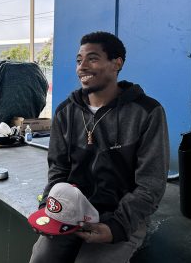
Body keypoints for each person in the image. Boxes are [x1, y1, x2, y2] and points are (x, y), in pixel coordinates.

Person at [29, 31, 169, 263]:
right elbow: (58, 171)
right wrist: (49, 208)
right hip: (70, 211)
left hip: (120, 216)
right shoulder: (66, 112)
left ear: (117, 63)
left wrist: (117, 226)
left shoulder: (147, 112)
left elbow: (151, 184)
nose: (82, 67)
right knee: (41, 258)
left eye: (92, 58)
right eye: (78, 60)